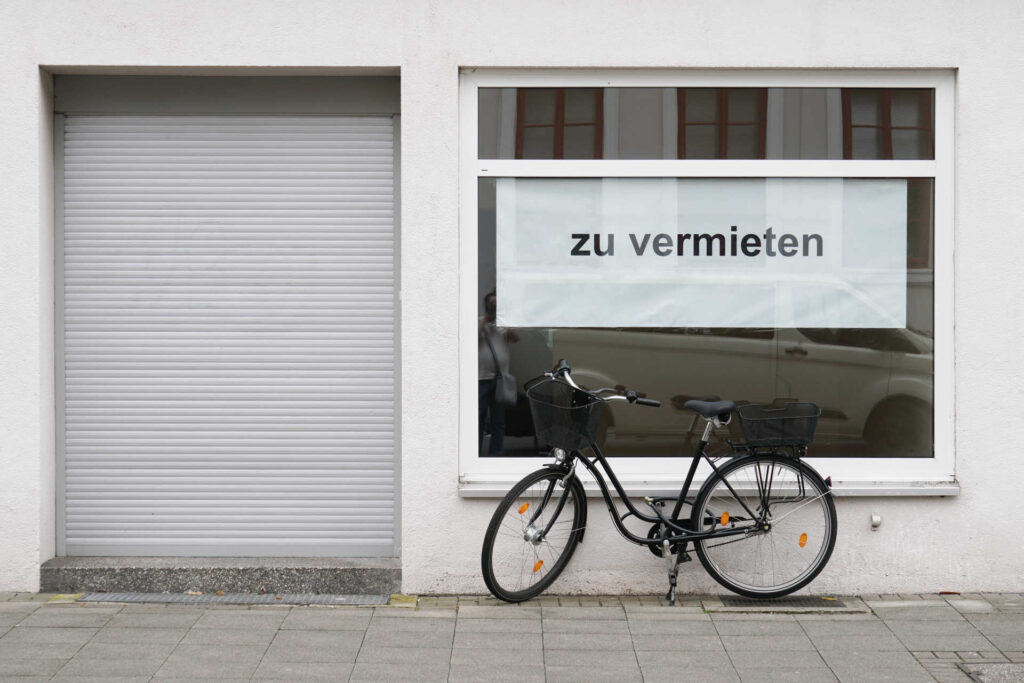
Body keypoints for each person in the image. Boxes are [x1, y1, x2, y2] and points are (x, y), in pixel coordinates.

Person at [479, 290, 518, 456]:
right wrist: (486, 319)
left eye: (496, 305)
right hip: (481, 379)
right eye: (491, 304)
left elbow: (515, 338)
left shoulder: (502, 324)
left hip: (500, 380)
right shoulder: (479, 322)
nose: (493, 307)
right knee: (478, 419)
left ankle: (496, 453)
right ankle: (476, 453)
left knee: (498, 422)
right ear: (486, 305)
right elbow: (468, 338)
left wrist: (504, 320)